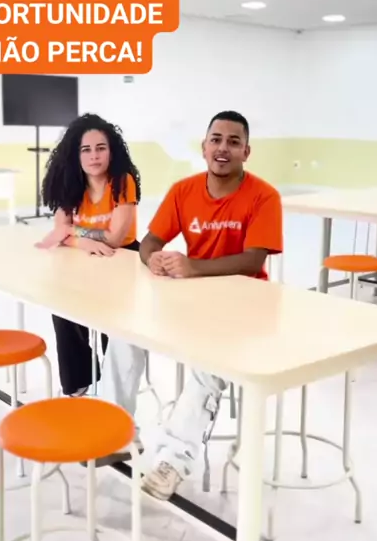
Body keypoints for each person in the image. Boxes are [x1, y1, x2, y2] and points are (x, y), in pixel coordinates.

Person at [99, 110, 283, 499]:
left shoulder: (264, 196)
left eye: (234, 142)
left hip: (244, 306)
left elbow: (253, 260)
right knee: (124, 332)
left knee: (207, 364)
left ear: (246, 152)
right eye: (216, 139)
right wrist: (154, 259)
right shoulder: (184, 190)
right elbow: (150, 242)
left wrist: (192, 267)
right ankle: (116, 432)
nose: (223, 148)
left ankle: (174, 460)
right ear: (204, 147)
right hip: (191, 297)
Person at [36, 113, 141, 396]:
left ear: (111, 152)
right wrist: (81, 242)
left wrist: (73, 233)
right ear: (76, 154)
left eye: (100, 148)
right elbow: (60, 230)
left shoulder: (123, 181)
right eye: (86, 149)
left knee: (113, 320)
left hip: (122, 257)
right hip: (83, 256)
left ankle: (115, 385)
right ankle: (79, 381)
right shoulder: (69, 183)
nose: (94, 156)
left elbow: (115, 238)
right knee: (63, 308)